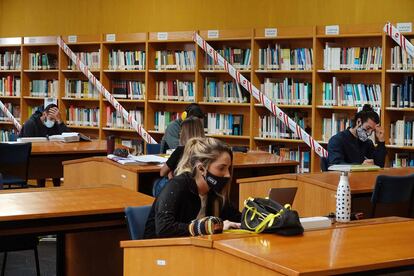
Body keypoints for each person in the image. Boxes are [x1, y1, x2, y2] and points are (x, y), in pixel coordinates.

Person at [144, 137, 241, 239]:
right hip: (158, 250)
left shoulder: (214, 192)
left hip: (192, 248)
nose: (228, 175)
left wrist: (255, 217)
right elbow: (164, 228)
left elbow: (235, 217)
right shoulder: (177, 186)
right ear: (201, 168)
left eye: (228, 168)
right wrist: (209, 227)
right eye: (221, 168)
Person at [20, 104, 70, 187]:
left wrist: (60, 121)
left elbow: (68, 136)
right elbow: (26, 144)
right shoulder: (31, 123)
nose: (53, 122)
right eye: (51, 119)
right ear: (44, 114)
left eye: (55, 119)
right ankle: (41, 188)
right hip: (34, 157)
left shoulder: (56, 122)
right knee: (42, 165)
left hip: (52, 155)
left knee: (56, 162)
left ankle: (57, 189)